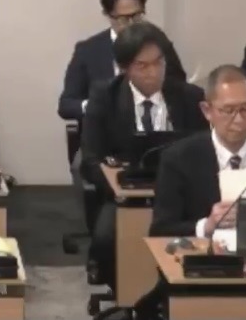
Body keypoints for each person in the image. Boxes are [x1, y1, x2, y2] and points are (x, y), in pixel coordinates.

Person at [80, 21, 207, 289]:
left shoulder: (190, 96)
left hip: (181, 193)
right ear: (124, 68)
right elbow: (90, 159)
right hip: (125, 196)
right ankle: (128, 292)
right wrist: (116, 184)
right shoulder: (105, 96)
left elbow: (204, 149)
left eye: (159, 62)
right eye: (143, 65)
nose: (153, 72)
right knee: (107, 238)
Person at [150, 65, 246, 238]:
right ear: (207, 110)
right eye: (228, 110)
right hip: (206, 253)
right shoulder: (179, 159)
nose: (239, 120)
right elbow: (161, 229)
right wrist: (207, 226)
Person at [59, 0, 188, 122]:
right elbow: (66, 105)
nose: (132, 24)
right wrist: (96, 106)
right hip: (105, 131)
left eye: (137, 16)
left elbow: (180, 87)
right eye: (123, 19)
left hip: (153, 124)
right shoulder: (88, 50)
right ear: (108, 15)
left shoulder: (158, 42)